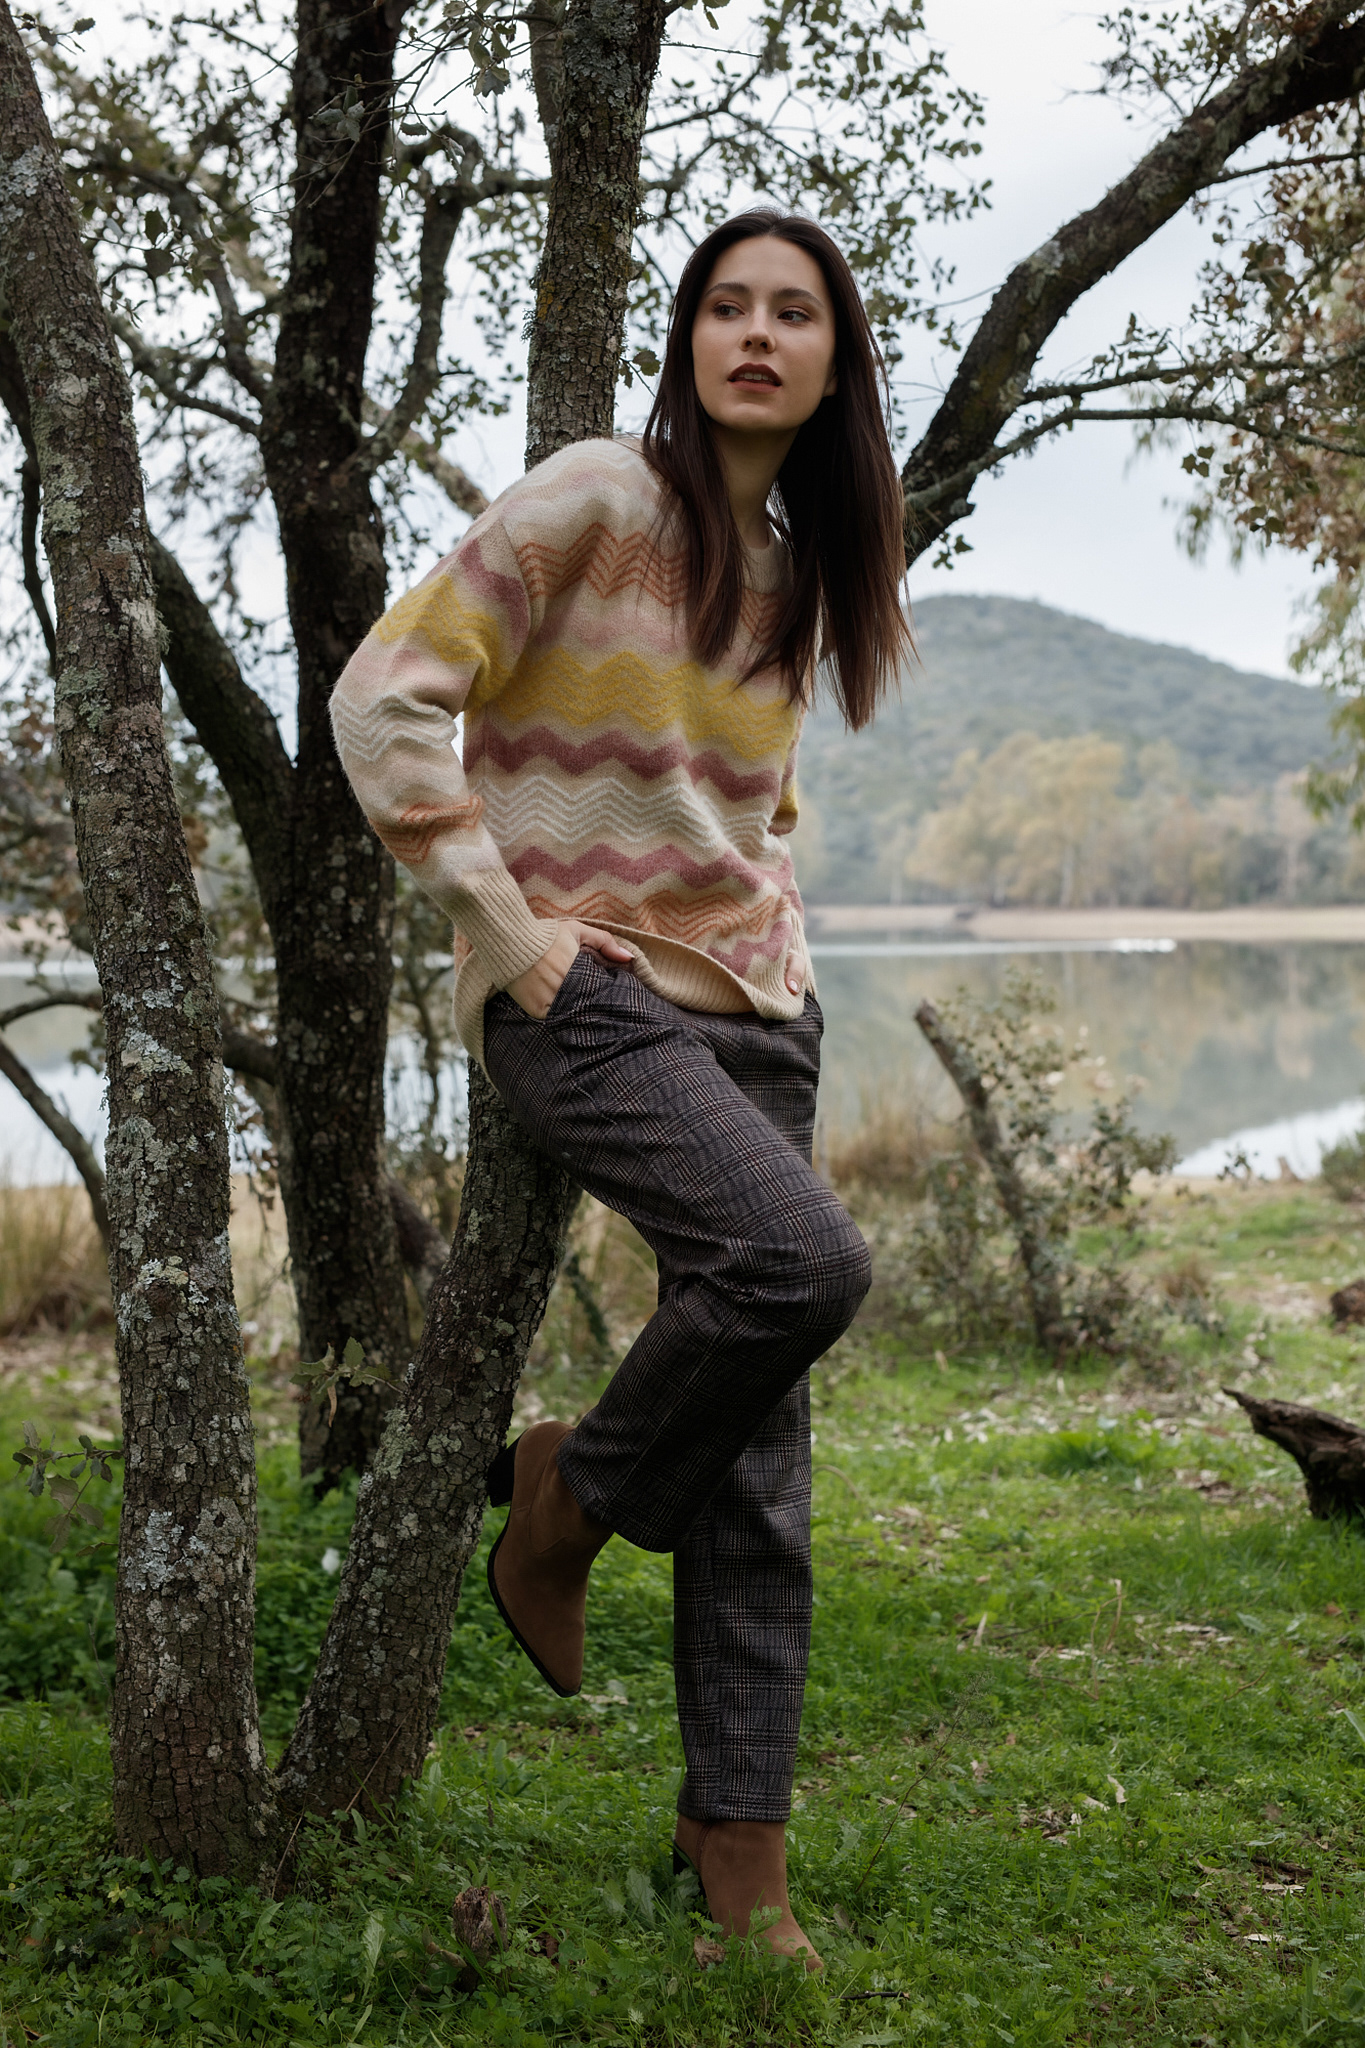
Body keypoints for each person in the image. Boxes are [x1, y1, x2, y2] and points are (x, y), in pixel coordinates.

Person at [331, 207, 912, 1967]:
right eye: (726, 306)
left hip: (760, 1008)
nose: (757, 335)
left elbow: (748, 810)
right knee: (801, 1267)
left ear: (832, 361)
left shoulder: (801, 568)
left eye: (792, 312)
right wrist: (510, 937)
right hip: (579, 993)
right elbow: (384, 697)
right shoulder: (597, 494)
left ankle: (737, 1848)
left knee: (764, 1461)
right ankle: (566, 1498)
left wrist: (777, 950)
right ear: (687, 340)